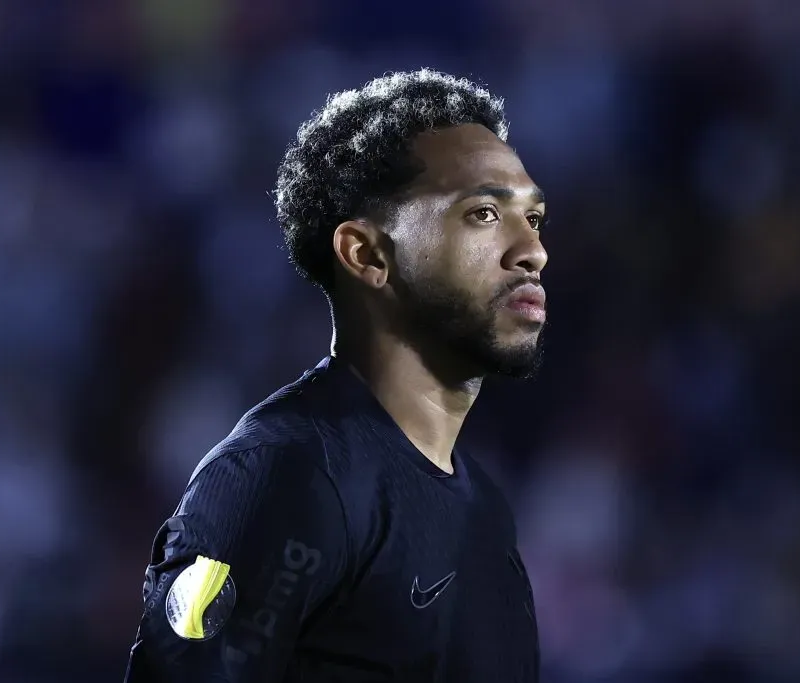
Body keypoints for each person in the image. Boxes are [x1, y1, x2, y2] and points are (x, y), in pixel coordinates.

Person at [124, 68, 548, 682]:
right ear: (367, 255)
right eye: (483, 213)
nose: (530, 249)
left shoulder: (485, 510)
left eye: (534, 219)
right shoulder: (283, 475)